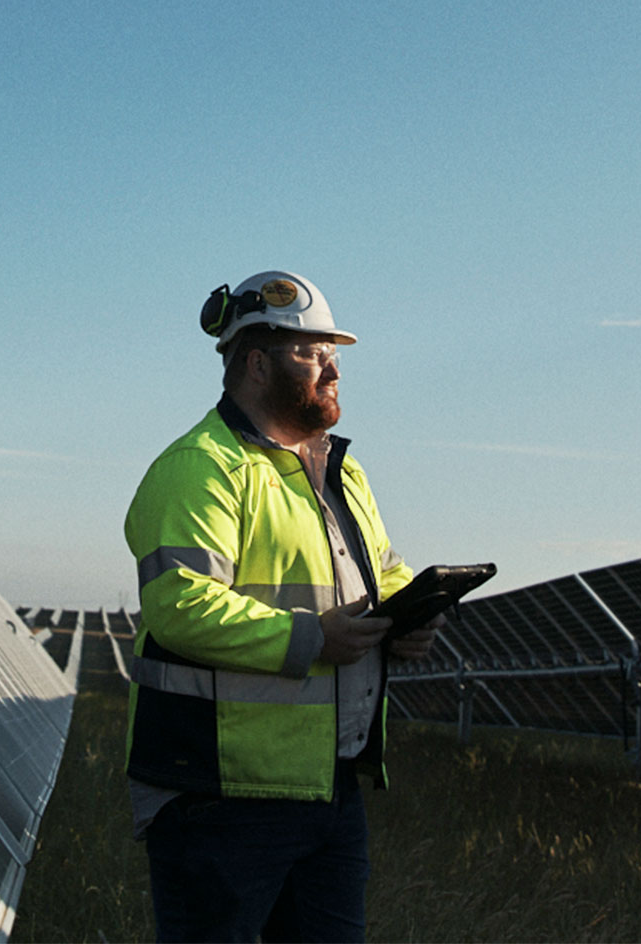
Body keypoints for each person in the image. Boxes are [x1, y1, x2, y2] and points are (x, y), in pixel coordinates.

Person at [123, 270, 444, 943]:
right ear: (257, 363)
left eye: (335, 354)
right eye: (310, 352)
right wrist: (310, 639)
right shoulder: (201, 467)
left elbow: (384, 571)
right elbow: (180, 602)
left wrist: (409, 618)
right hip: (218, 796)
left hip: (328, 789)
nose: (331, 367)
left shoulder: (340, 473)